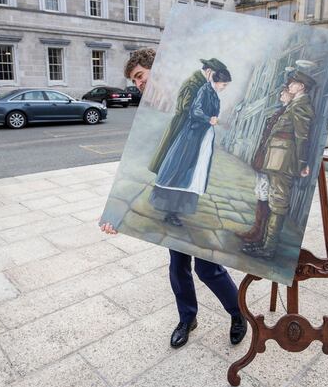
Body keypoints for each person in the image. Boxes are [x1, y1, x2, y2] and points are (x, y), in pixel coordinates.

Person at [101, 49, 247, 349]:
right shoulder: (154, 99)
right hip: (180, 155)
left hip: (190, 150)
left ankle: (238, 314)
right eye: (134, 80)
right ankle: (187, 318)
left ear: (156, 68)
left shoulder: (189, 83)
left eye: (140, 76)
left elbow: (193, 113)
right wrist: (115, 217)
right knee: (177, 262)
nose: (137, 84)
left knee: (207, 267)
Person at [243, 71, 316, 260]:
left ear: (302, 86)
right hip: (277, 160)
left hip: (284, 162)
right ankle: (263, 242)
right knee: (274, 201)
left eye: (293, 83)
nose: (290, 85)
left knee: (278, 204)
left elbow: (302, 137)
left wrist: (302, 163)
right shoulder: (295, 104)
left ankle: (268, 249)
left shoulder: (302, 106)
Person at [150, 66, 231, 227]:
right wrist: (209, 119)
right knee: (180, 171)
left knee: (191, 173)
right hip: (191, 137)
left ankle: (176, 209)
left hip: (200, 138)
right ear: (217, 81)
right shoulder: (205, 90)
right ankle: (170, 211)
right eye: (224, 84)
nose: (225, 88)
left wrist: (212, 120)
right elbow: (195, 111)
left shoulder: (213, 94)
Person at [148, 58, 228, 174]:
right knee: (170, 154)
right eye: (217, 76)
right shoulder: (194, 83)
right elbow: (186, 107)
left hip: (189, 124)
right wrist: (204, 116)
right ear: (209, 72)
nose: (217, 80)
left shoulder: (203, 83)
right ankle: (163, 177)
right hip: (182, 123)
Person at [236, 87, 293, 243]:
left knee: (268, 196)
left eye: (285, 91)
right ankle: (256, 230)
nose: (281, 93)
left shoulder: (290, 112)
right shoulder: (281, 110)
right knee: (261, 193)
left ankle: (260, 234)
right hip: (265, 158)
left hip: (274, 161)